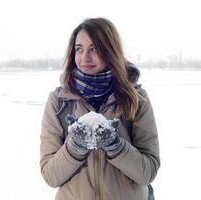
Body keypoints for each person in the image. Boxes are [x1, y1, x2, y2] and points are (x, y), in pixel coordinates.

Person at [39, 17, 160, 200]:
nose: (85, 57)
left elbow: (148, 172)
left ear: (110, 50)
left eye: (94, 49)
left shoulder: (136, 99)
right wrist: (75, 146)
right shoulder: (59, 102)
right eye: (79, 49)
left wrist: (115, 145)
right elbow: (51, 176)